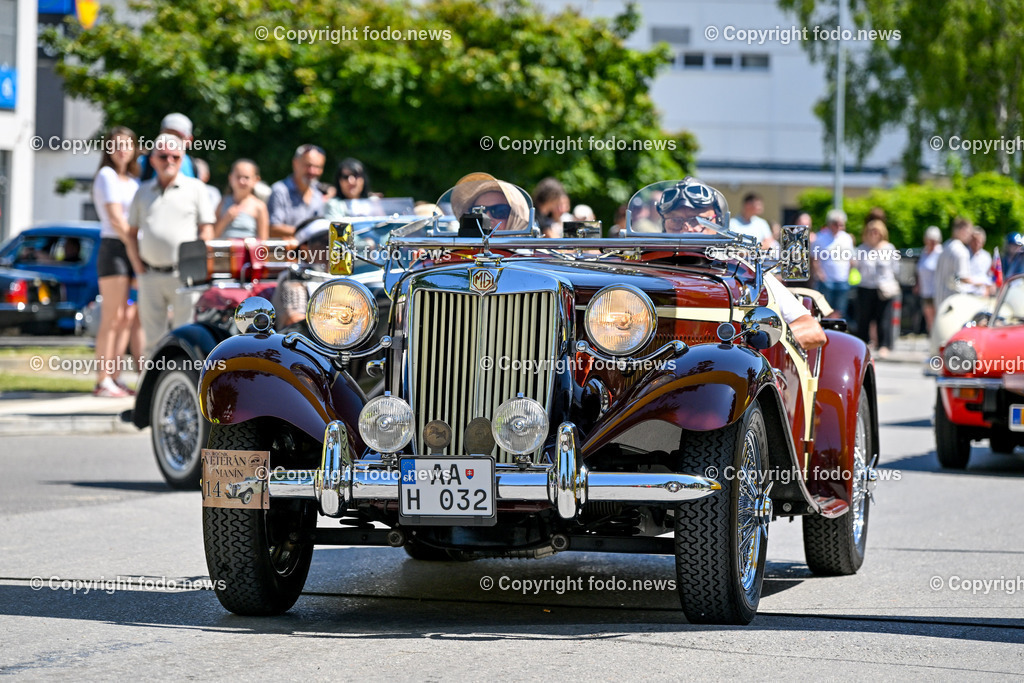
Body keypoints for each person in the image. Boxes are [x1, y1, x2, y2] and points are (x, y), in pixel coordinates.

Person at [654, 177, 826, 350]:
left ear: (717, 222)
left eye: (698, 220)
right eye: (675, 221)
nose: (687, 229)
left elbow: (812, 331)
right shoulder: (643, 271)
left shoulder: (746, 272)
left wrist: (758, 346)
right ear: (664, 224)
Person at [127, 134, 215, 358]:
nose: (169, 160)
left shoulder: (195, 188)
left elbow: (207, 231)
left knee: (186, 337)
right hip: (150, 274)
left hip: (185, 275)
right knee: (152, 341)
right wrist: (138, 268)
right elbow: (130, 233)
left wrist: (199, 270)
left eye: (175, 156)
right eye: (163, 156)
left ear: (182, 157)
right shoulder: (142, 191)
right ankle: (151, 391)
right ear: (153, 160)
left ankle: (184, 387)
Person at [92, 125, 142, 397]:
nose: (122, 149)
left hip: (133, 248)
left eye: (127, 144)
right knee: (111, 317)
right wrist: (135, 252)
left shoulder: (133, 181)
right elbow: (116, 220)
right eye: (116, 144)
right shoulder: (106, 175)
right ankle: (102, 380)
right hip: (115, 249)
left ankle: (115, 376)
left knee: (127, 316)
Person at [272, 218, 331, 330]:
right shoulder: (292, 277)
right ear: (304, 248)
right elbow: (295, 320)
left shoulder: (341, 275)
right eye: (325, 242)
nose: (333, 248)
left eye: (336, 241)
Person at [852, 220, 899, 358]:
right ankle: (862, 344)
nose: (874, 234)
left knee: (884, 318)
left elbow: (895, 268)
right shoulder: (862, 249)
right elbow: (857, 267)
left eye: (877, 231)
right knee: (864, 318)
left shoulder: (889, 248)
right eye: (871, 231)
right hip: (866, 286)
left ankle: (884, 345)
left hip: (884, 288)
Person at [268, 144, 326, 237]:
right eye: (308, 165)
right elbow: (273, 228)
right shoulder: (280, 191)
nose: (312, 171)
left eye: (318, 167)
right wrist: (308, 232)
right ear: (295, 163)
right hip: (283, 250)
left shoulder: (318, 193)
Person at [450, 172, 530, 233]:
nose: (488, 218)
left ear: (516, 217)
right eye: (478, 212)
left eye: (499, 211)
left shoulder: (533, 254)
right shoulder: (457, 253)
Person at [812, 209, 854, 318]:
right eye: (836, 223)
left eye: (841, 224)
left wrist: (849, 274)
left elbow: (851, 258)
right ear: (830, 223)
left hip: (842, 280)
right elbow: (814, 259)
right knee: (825, 311)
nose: (839, 226)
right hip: (827, 281)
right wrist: (821, 275)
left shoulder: (846, 238)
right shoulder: (820, 237)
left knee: (840, 312)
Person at [213, 159, 270, 239]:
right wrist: (225, 220)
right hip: (224, 251)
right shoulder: (223, 202)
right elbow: (212, 236)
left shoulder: (259, 207)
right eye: (238, 177)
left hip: (248, 250)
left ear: (256, 180)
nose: (242, 181)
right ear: (230, 178)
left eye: (246, 177)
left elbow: (263, 241)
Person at [933, 217, 982, 307]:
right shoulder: (961, 251)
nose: (970, 236)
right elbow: (963, 277)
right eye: (968, 232)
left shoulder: (946, 246)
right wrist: (981, 283)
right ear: (963, 230)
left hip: (940, 300)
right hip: (953, 303)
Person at [137, 113, 197, 180]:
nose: (171, 140)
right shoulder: (142, 163)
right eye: (167, 134)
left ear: (189, 140)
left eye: (178, 136)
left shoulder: (193, 166)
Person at [915, 225, 943, 333]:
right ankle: (931, 339)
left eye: (934, 240)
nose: (931, 242)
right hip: (926, 290)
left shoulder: (940, 253)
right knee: (929, 319)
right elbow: (920, 269)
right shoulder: (924, 252)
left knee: (937, 318)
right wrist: (918, 284)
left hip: (937, 291)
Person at [966, 227, 995, 296]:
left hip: (981, 294)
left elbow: (990, 276)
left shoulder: (986, 257)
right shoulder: (964, 253)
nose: (976, 243)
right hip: (966, 292)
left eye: (979, 241)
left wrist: (988, 290)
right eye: (974, 240)